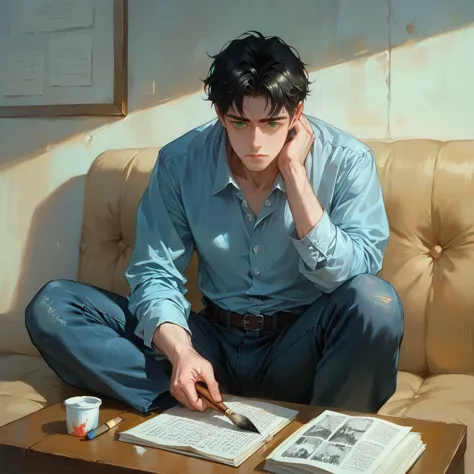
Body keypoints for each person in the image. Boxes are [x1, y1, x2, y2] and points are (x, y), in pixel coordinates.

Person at [25, 31, 403, 416]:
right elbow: (155, 274)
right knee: (53, 306)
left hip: (301, 348)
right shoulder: (180, 162)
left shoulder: (347, 160)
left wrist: (295, 176)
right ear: (221, 114)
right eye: (240, 122)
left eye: (272, 122)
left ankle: (325, 432)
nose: (256, 141)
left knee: (377, 304)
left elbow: (357, 276)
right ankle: (187, 402)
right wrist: (182, 352)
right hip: (212, 342)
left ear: (297, 114)